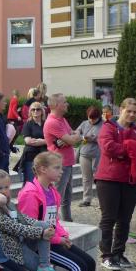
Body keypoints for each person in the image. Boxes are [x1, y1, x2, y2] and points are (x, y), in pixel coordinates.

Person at [17, 152, 107, 271]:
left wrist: (63, 235)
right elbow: (29, 228)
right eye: (57, 167)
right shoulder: (30, 193)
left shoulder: (52, 191)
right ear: (43, 169)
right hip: (38, 245)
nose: (62, 171)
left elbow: (54, 221)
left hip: (53, 240)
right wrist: (58, 239)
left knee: (89, 262)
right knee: (77, 267)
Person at [94, 98, 136, 271]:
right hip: (109, 178)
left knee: (125, 219)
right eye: (128, 111)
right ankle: (106, 255)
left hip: (130, 179)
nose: (131, 114)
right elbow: (108, 148)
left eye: (134, 112)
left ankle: (118, 253)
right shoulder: (109, 127)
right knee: (108, 218)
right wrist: (132, 148)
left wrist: (127, 148)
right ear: (121, 110)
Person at [0, 169, 65, 271]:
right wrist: (41, 233)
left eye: (6, 187)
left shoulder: (9, 204)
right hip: (12, 252)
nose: (4, 191)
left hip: (22, 244)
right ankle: (45, 268)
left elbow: (24, 219)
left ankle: (45, 266)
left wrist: (45, 228)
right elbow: (14, 227)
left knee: (43, 224)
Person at [43, 93, 81, 221]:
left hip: (67, 163)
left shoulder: (62, 120)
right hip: (59, 165)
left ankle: (67, 221)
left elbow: (74, 134)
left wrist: (71, 138)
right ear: (56, 105)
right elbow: (73, 139)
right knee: (57, 196)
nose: (67, 104)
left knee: (67, 196)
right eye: (64, 102)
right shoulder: (53, 122)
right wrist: (71, 138)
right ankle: (52, 223)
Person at [76, 106, 103, 207]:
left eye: (94, 119)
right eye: (89, 118)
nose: (91, 121)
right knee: (86, 178)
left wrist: (94, 139)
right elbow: (77, 132)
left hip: (98, 155)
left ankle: (102, 200)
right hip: (84, 154)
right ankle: (86, 199)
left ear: (98, 117)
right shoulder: (84, 123)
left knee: (99, 179)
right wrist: (81, 136)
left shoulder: (104, 125)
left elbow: (104, 138)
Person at [17, 101, 47, 185]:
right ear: (30, 111)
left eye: (38, 109)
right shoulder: (28, 124)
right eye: (33, 109)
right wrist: (45, 141)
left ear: (42, 111)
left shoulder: (45, 123)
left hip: (44, 157)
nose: (35, 111)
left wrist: (42, 141)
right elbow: (28, 141)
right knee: (30, 183)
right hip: (31, 157)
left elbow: (52, 139)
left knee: (41, 183)